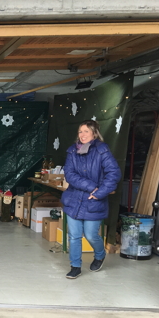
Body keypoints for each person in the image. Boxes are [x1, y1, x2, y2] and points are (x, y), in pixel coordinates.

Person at [61, 119, 121, 279]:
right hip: (74, 199)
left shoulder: (102, 150)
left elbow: (114, 173)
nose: (82, 135)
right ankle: (75, 266)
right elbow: (70, 174)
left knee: (91, 235)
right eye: (80, 131)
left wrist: (99, 192)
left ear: (94, 133)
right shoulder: (72, 151)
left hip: (93, 201)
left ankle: (100, 254)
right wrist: (91, 187)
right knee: (74, 235)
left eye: (86, 131)